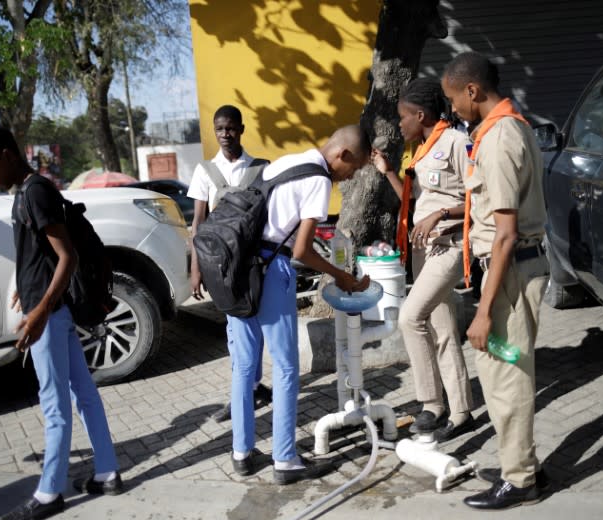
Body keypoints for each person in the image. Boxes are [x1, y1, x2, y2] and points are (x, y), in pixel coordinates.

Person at [0, 126, 122, 520]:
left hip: (49, 316)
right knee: (83, 392)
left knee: (55, 405)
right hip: (49, 310)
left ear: (7, 154)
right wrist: (24, 286)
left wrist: (38, 313)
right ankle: (107, 471)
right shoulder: (27, 192)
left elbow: (66, 257)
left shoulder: (36, 192)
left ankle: (49, 492)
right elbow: (38, 254)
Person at [227, 124, 371, 484]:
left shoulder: (285, 163)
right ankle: (286, 460)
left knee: (244, 367)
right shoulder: (319, 179)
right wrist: (340, 275)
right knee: (288, 368)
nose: (349, 177)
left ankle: (242, 452)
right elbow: (303, 250)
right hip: (270, 270)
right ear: (343, 155)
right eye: (353, 170)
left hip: (238, 268)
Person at [441, 52, 551, 510]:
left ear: (472, 91)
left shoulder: (501, 138)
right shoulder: (503, 130)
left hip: (508, 274)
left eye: (453, 99)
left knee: (506, 378)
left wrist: (484, 313)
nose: (452, 110)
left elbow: (504, 233)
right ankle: (521, 464)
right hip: (508, 271)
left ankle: (520, 480)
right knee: (505, 373)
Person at [370, 78, 475, 439]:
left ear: (420, 113)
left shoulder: (457, 143)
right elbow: (413, 204)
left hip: (448, 246)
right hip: (423, 250)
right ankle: (461, 412)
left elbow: (481, 201)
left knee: (410, 318)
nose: (400, 124)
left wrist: (442, 214)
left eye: (403, 117)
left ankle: (431, 403)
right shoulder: (420, 150)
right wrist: (388, 174)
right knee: (442, 330)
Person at [187, 105, 272, 423]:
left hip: (254, 261)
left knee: (256, 327)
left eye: (231, 128)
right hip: (221, 267)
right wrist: (195, 269)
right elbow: (199, 223)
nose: (225, 134)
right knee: (235, 333)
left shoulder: (261, 168)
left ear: (241, 129)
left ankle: (252, 386)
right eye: (219, 129)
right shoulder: (205, 172)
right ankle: (242, 394)